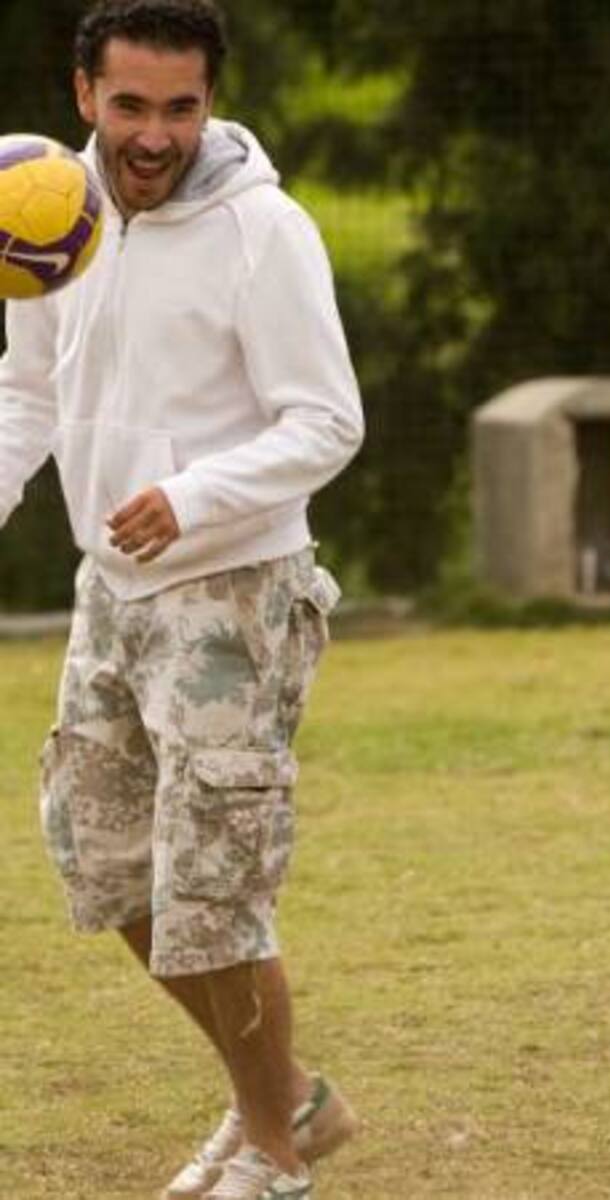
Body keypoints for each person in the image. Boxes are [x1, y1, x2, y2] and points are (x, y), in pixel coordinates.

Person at [0, 2, 365, 1197]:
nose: (155, 134)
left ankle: (272, 1151)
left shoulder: (266, 232)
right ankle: (291, 1099)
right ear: (83, 96)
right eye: (131, 105)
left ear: (210, 103)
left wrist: (195, 495)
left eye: (181, 108)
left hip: (235, 593)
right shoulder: (53, 220)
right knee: (105, 865)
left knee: (215, 886)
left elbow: (327, 420)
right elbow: (30, 397)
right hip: (111, 592)